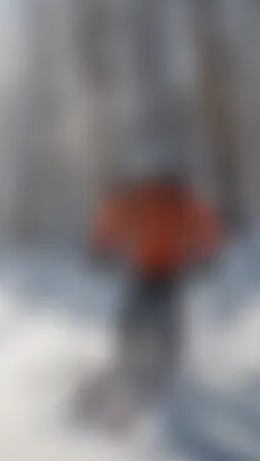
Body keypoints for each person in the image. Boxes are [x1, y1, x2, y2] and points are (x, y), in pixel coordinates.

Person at [87, 156, 224, 419]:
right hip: (145, 267)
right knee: (135, 316)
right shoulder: (146, 197)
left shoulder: (179, 198)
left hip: (169, 269)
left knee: (164, 318)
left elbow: (204, 224)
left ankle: (165, 364)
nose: (156, 182)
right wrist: (101, 246)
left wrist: (208, 253)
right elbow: (114, 216)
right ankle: (130, 360)